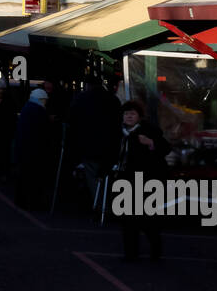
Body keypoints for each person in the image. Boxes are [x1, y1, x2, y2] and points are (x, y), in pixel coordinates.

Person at [113, 98, 170, 261]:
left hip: (146, 179)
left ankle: (155, 250)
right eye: (126, 114)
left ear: (139, 116)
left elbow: (165, 148)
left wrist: (151, 143)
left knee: (146, 218)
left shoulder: (149, 130)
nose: (129, 117)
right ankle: (130, 252)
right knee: (127, 219)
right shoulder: (119, 132)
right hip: (125, 179)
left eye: (132, 114)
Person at [68, 79, 122, 214]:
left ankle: (101, 206)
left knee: (92, 174)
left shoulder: (81, 99)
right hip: (110, 144)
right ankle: (107, 204)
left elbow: (72, 121)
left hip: (88, 144)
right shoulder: (112, 99)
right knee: (107, 175)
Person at [11, 86, 54, 211]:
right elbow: (43, 133)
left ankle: (21, 201)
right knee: (34, 179)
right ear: (42, 99)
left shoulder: (27, 108)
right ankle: (33, 202)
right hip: (35, 150)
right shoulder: (39, 111)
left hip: (24, 148)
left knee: (24, 177)